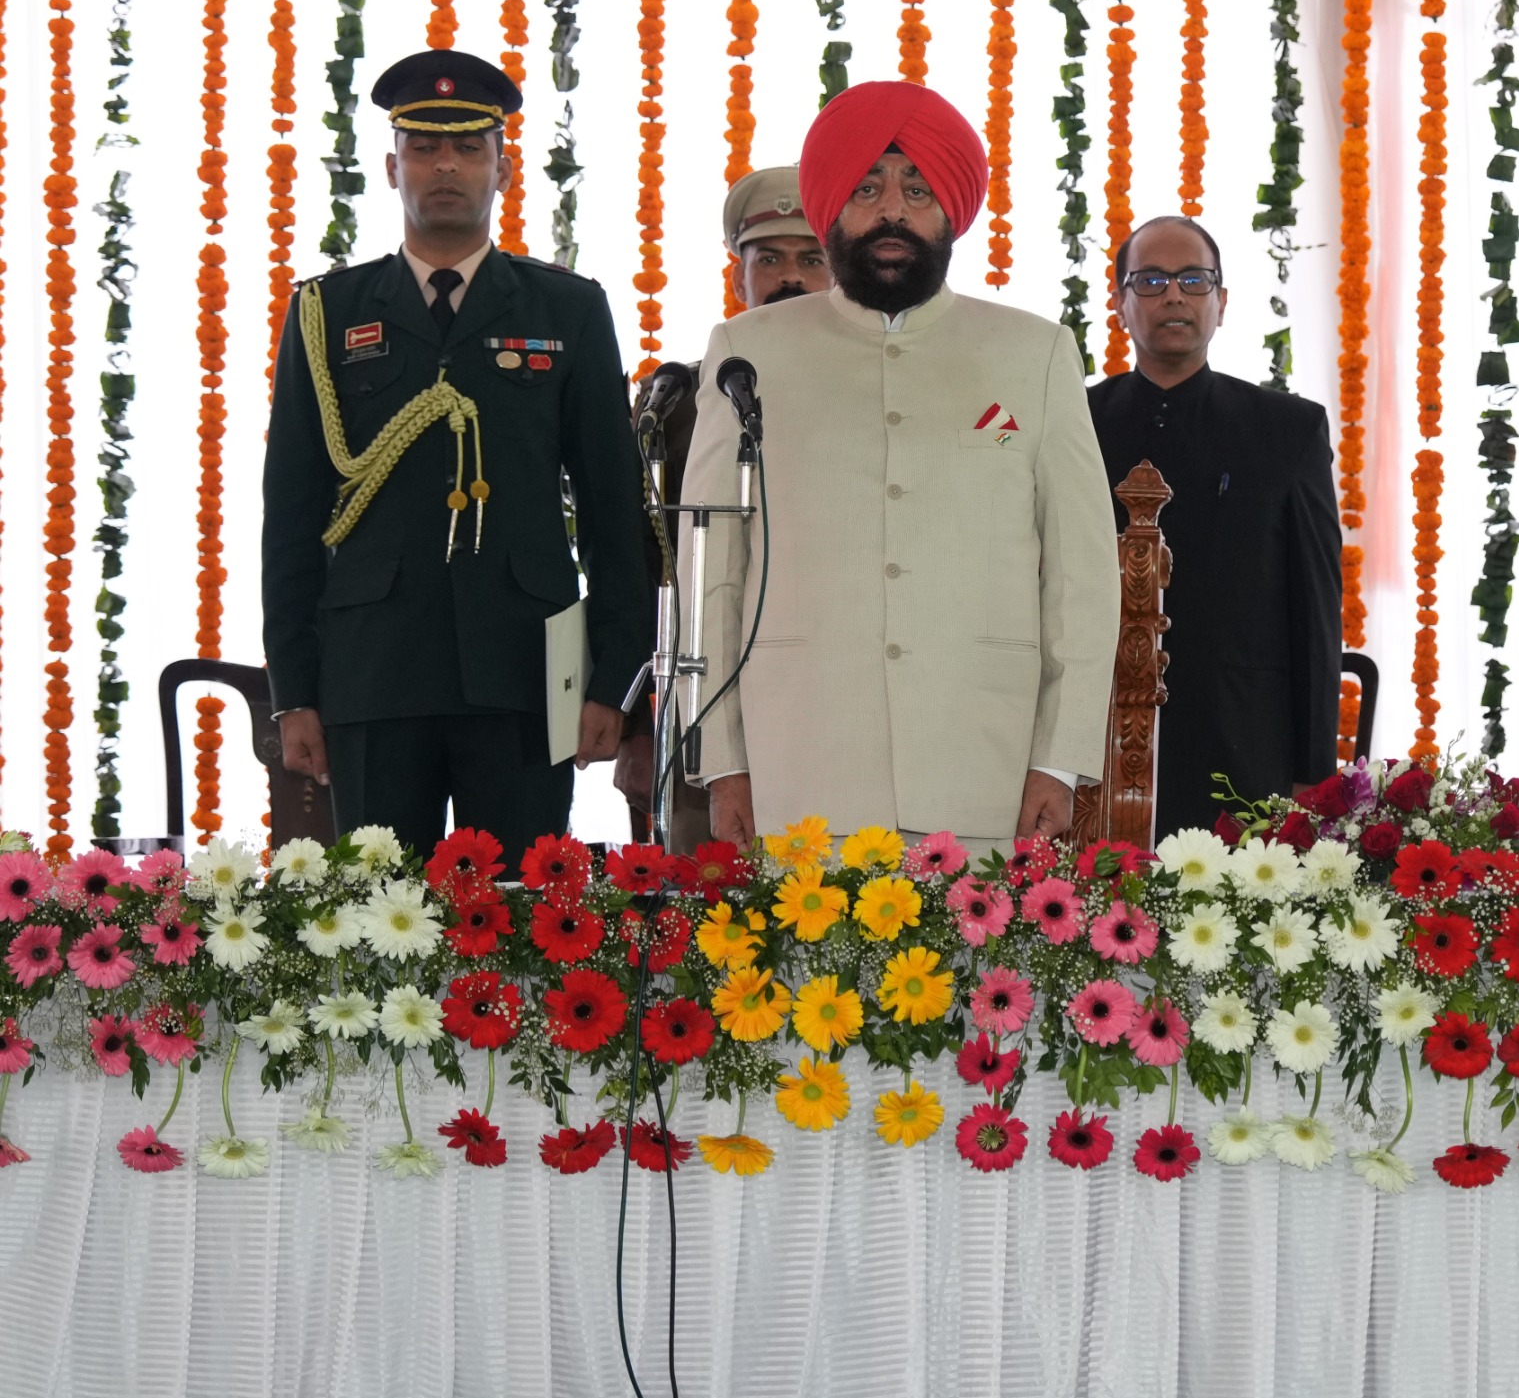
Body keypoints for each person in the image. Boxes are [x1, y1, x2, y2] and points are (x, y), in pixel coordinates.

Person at [683, 81, 1117, 849]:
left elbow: (1081, 577)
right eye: (867, 188)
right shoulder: (747, 352)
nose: (892, 211)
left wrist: (1060, 759)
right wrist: (723, 762)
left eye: (917, 189)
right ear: (831, 207)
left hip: (984, 763)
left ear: (951, 209)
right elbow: (712, 573)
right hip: (797, 762)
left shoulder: (1035, 353)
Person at [263, 49, 650, 860]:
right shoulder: (326, 313)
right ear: (391, 167)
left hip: (524, 674)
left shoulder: (568, 310)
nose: (446, 166)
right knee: (376, 915)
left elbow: (614, 510)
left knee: (520, 917)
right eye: (424, 148)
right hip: (372, 674)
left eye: (470, 148)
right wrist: (293, 692)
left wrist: (614, 680)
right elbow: (292, 515)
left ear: (502, 170)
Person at [1087, 216, 1343, 839]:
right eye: (1151, 280)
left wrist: (1313, 772)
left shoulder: (1286, 430)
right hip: (1095, 743)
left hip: (1242, 744)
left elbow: (1315, 611)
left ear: (1221, 302)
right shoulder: (1077, 421)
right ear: (1120, 303)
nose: (1174, 296)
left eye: (1194, 280)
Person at [615, 166, 823, 844]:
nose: (789, 278)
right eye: (769, 260)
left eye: (812, 260)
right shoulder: (681, 401)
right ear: (738, 279)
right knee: (706, 899)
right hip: (707, 708)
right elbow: (644, 570)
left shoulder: (882, 400)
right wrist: (637, 729)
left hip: (834, 697)